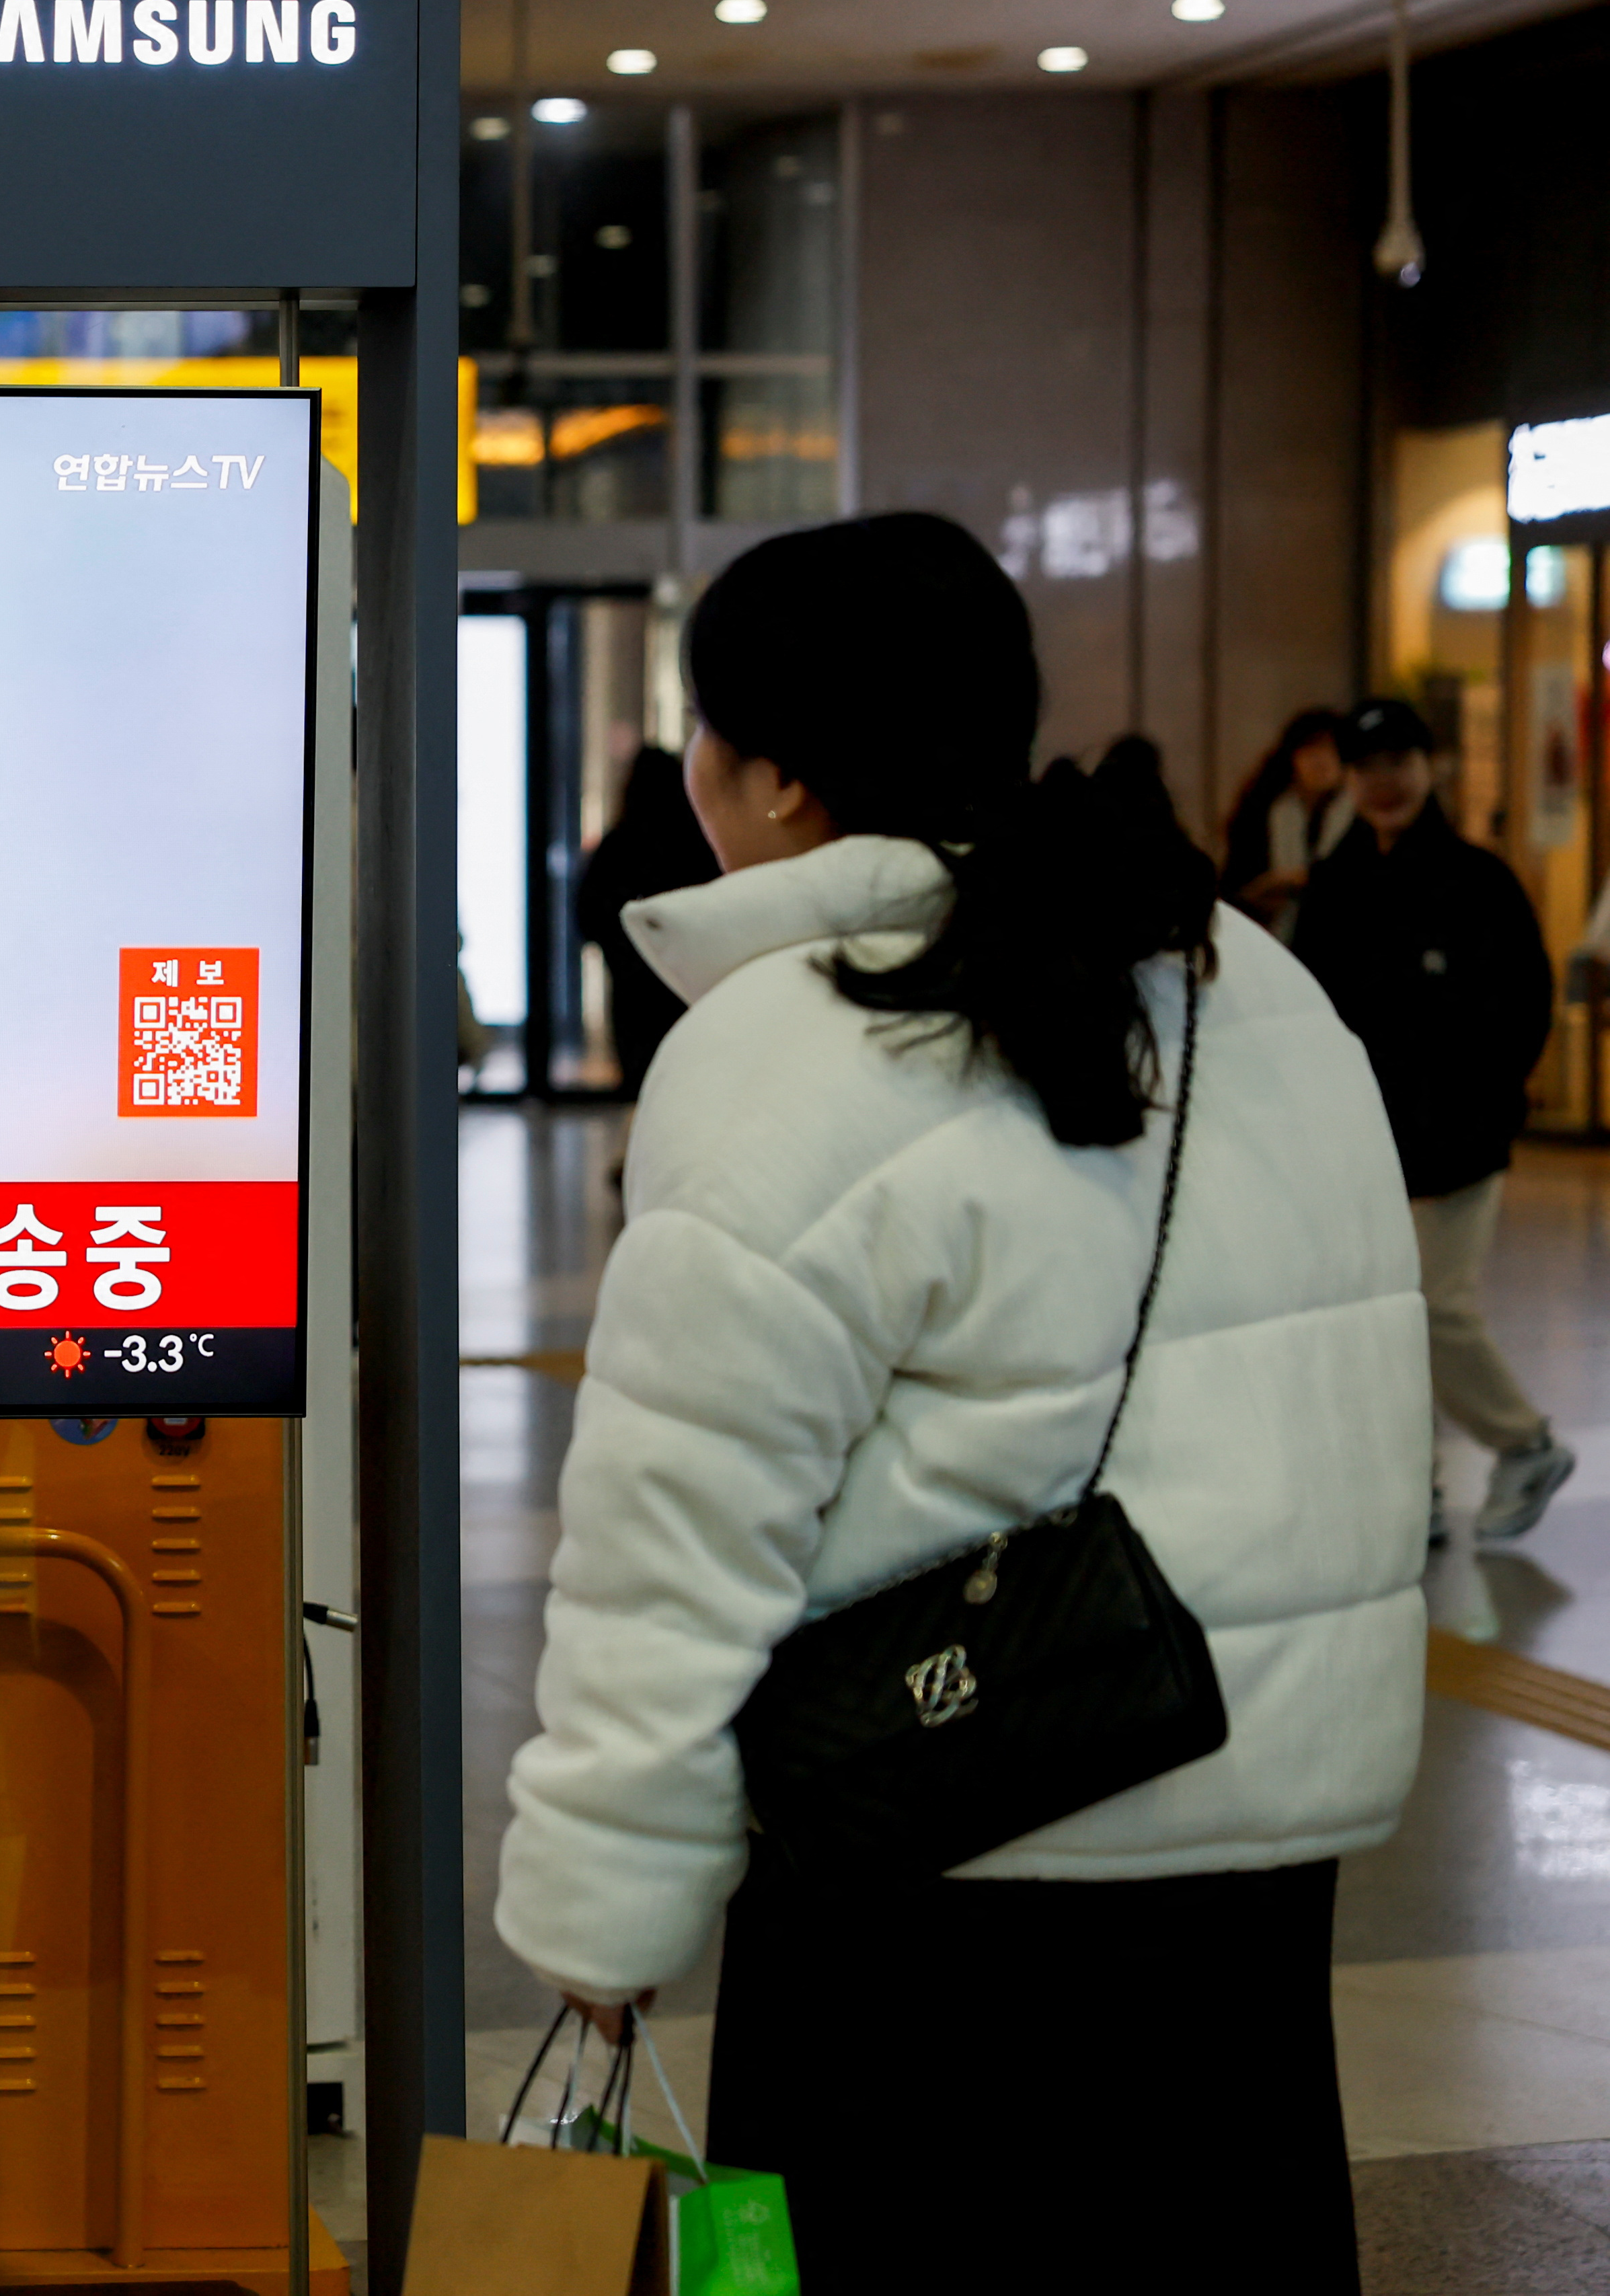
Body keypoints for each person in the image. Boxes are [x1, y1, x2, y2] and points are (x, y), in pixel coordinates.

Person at [496, 514, 1426, 2295]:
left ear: (775, 775)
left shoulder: (788, 1042)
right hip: (1249, 1854)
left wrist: (604, 1896)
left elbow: (681, 1525)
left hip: (925, 1872)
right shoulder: (1249, 984)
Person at [1296, 697, 1576, 1542]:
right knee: (1385, 1313)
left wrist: (1489, 1098)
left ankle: (1522, 1442)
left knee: (1431, 1306)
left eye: (1398, 762)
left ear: (1431, 767)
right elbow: (1309, 1008)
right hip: (1365, 1141)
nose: (1383, 782)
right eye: (1365, 767)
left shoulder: (1477, 881)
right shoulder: (1335, 885)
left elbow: (1524, 1000)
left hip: (1457, 1138)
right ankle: (1408, 1486)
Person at [572, 745, 717, 1095]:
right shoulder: (696, 846)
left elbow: (588, 914)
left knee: (641, 1083)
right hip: (687, 982)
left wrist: (620, 949)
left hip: (632, 991)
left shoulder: (618, 846)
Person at [1221, 706, 1352, 942]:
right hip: (1270, 937)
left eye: (1330, 750)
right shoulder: (1264, 811)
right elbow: (1234, 889)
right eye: (1310, 751)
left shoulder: (1362, 813)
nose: (1320, 761)